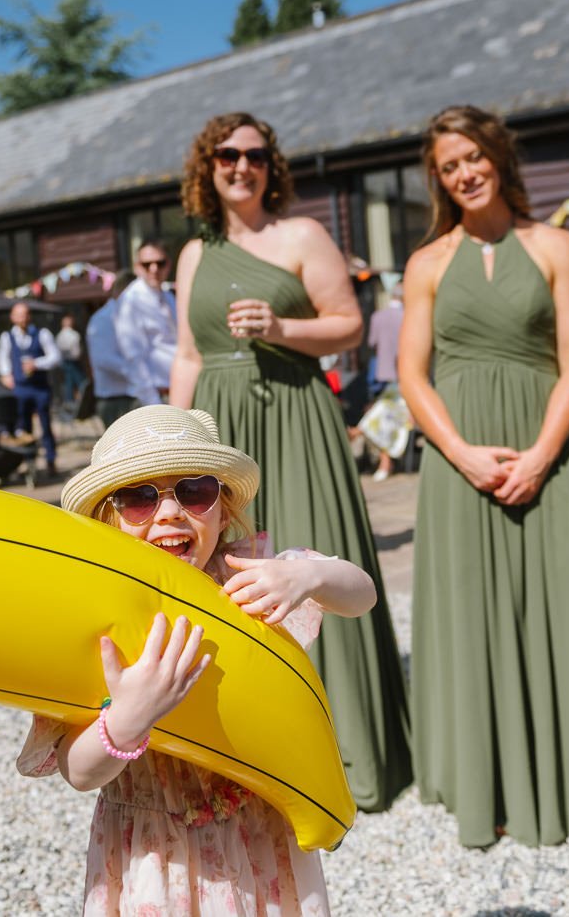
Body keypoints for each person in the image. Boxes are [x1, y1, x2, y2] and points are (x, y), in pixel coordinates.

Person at [396, 105, 569, 852]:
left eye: (474, 157)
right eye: (450, 166)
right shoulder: (425, 264)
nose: (465, 173)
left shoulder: (555, 245)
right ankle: (486, 787)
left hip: (545, 448)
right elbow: (410, 374)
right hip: (461, 459)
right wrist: (459, 452)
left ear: (498, 158)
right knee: (472, 614)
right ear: (440, 179)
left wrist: (545, 454)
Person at [21, 404, 375, 915]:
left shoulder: (248, 580)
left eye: (194, 491)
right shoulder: (92, 623)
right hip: (155, 857)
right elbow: (79, 772)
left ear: (224, 508)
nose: (169, 512)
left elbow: (361, 594)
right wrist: (127, 718)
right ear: (106, 518)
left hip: (259, 833)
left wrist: (308, 577)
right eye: (139, 497)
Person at [169, 111, 412, 812]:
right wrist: (173, 440)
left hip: (294, 416)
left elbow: (348, 324)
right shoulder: (194, 253)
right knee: (224, 566)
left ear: (271, 166)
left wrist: (282, 329)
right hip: (219, 416)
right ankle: (246, 741)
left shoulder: (301, 235)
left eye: (253, 154)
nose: (239, 166)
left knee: (306, 562)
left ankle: (341, 748)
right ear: (206, 167)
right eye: (225, 155)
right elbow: (188, 353)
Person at [0, 301, 62, 475]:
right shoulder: (7, 337)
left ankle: (50, 459)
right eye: (18, 315)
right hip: (20, 388)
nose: (22, 318)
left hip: (40, 387)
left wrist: (37, 364)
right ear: (12, 317)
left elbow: (55, 357)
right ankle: (28, 461)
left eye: (25, 314)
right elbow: (3, 357)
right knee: (23, 427)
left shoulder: (42, 334)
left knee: (45, 424)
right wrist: (6, 374)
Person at [115, 239, 180, 406]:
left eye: (160, 263)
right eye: (147, 264)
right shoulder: (131, 301)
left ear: (169, 264)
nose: (154, 269)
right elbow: (133, 357)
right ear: (137, 267)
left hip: (177, 391)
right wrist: (154, 404)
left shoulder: (168, 296)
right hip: (155, 397)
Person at [85, 269, 141, 427]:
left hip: (133, 395)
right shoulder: (103, 319)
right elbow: (104, 359)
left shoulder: (130, 314)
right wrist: (140, 372)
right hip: (116, 400)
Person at [365, 283, 405, 481]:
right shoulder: (408, 316)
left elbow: (372, 343)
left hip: (382, 373)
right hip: (403, 375)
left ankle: (386, 461)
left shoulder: (377, 316)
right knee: (390, 418)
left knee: (383, 418)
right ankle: (388, 462)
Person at [55, 313, 88, 415]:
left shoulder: (59, 335)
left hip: (64, 362)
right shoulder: (74, 335)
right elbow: (77, 353)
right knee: (81, 382)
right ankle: (82, 403)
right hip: (73, 362)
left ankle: (70, 403)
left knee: (69, 383)